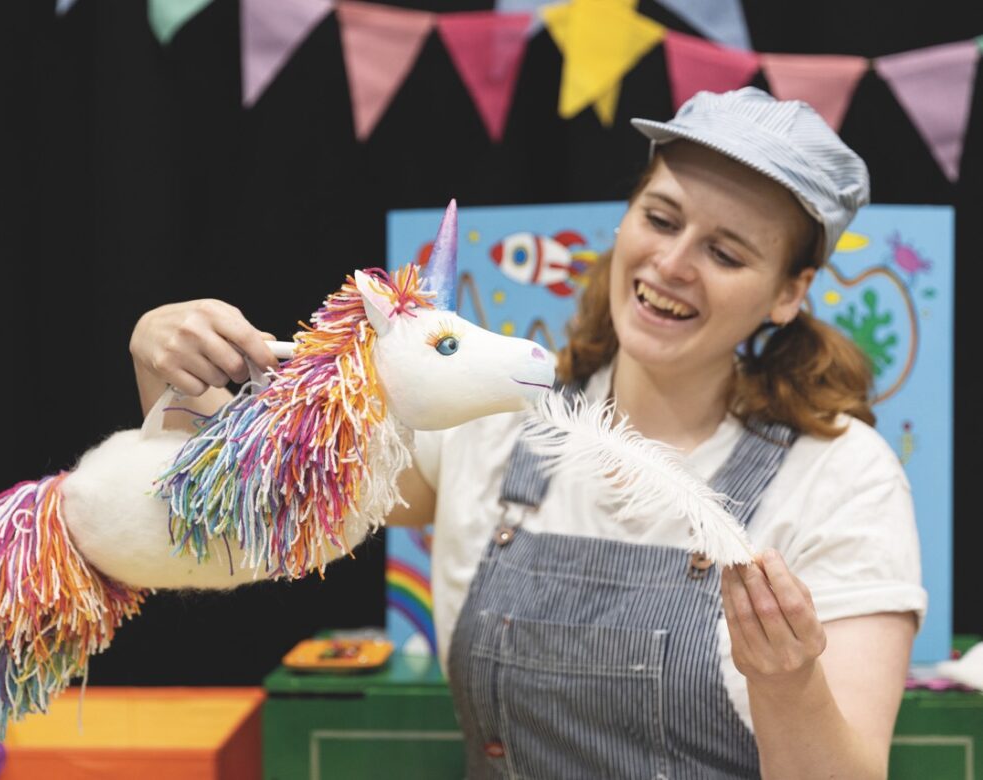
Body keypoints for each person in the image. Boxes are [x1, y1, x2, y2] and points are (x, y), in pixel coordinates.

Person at [129, 88, 925, 779]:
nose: (674, 263)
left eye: (725, 251)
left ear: (790, 292)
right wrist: (173, 376)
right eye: (661, 217)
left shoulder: (844, 478)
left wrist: (789, 683)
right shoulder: (490, 418)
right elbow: (243, 517)